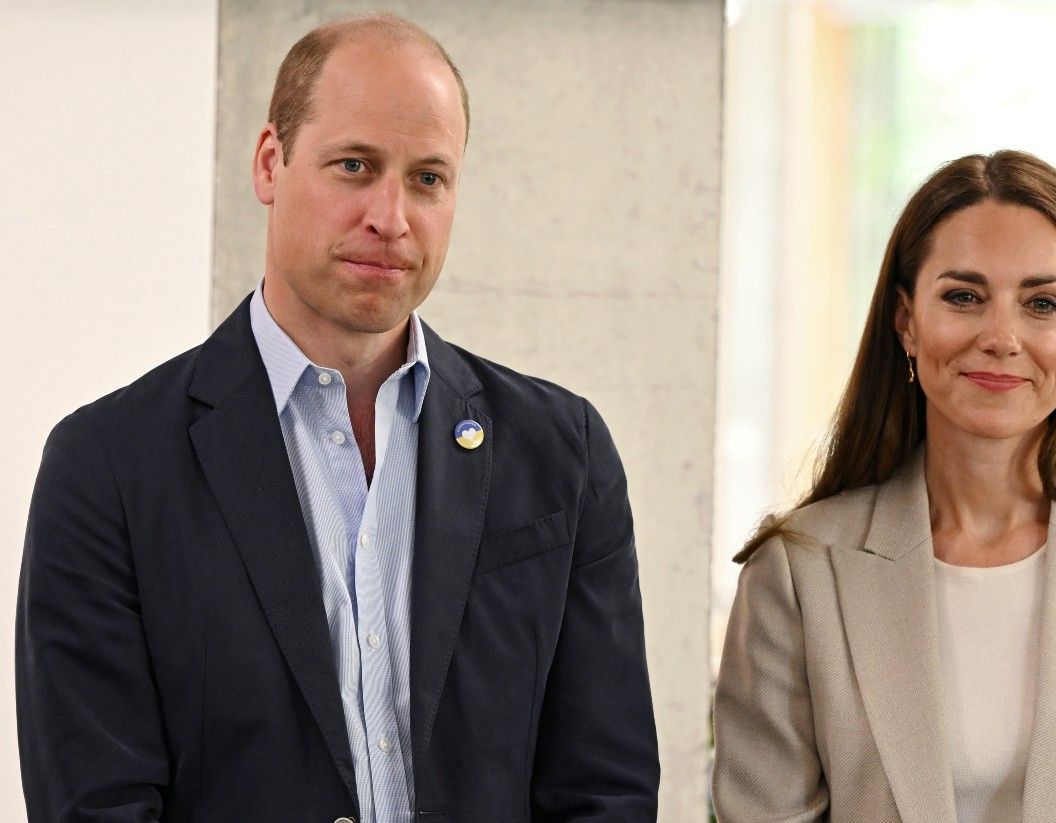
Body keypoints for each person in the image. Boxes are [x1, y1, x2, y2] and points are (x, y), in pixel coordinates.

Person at [16, 13, 658, 822]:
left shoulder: (564, 454)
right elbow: (95, 803)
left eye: (429, 178)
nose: (391, 216)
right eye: (355, 166)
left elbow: (604, 791)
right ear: (269, 163)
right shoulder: (106, 466)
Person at [712, 150, 1056, 822]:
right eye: (964, 296)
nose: (1001, 337)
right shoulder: (798, 571)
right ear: (906, 319)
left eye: (1042, 303)